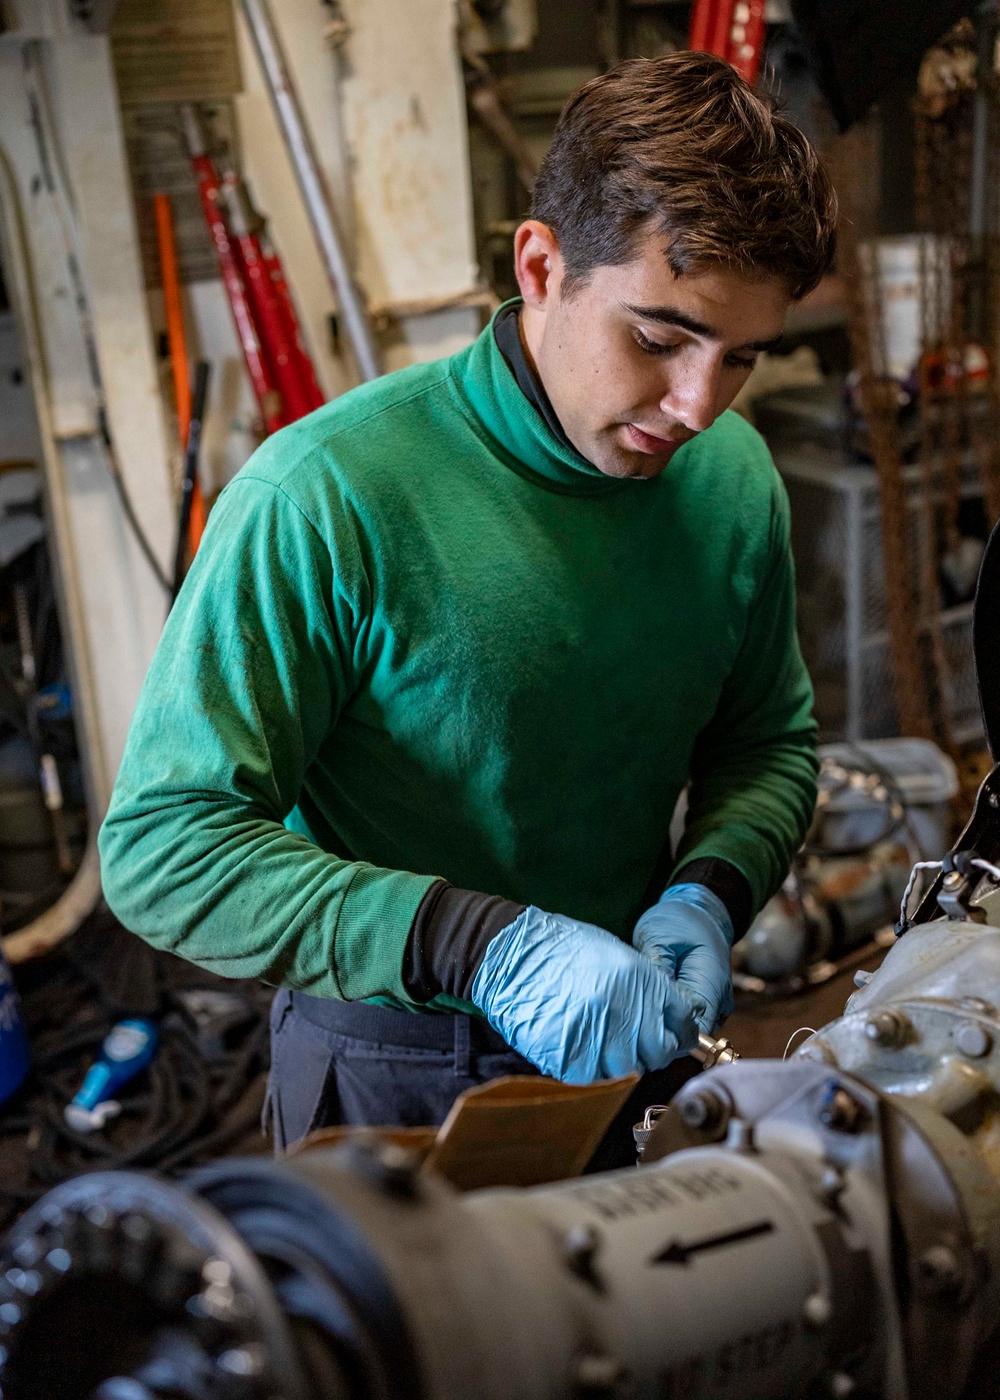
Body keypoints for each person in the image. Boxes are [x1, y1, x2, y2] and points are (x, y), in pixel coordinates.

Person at [99, 51, 836, 1161]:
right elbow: (165, 848)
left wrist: (709, 886)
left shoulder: (731, 478)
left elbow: (767, 740)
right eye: (658, 337)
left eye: (739, 358)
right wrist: (475, 945)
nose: (696, 404)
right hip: (394, 1067)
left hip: (640, 1038)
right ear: (540, 264)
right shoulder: (325, 496)